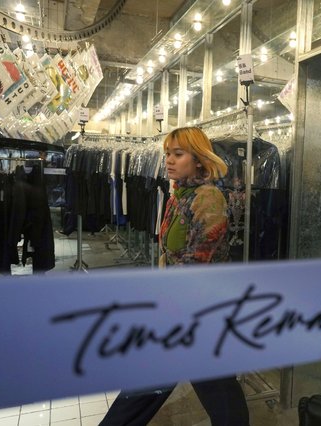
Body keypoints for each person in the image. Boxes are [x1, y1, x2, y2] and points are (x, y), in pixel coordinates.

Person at [100, 127, 250, 425]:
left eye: (178, 154)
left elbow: (196, 262)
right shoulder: (179, 195)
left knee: (211, 390)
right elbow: (170, 255)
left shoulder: (208, 198)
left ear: (199, 160)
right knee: (214, 390)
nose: (169, 160)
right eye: (167, 153)